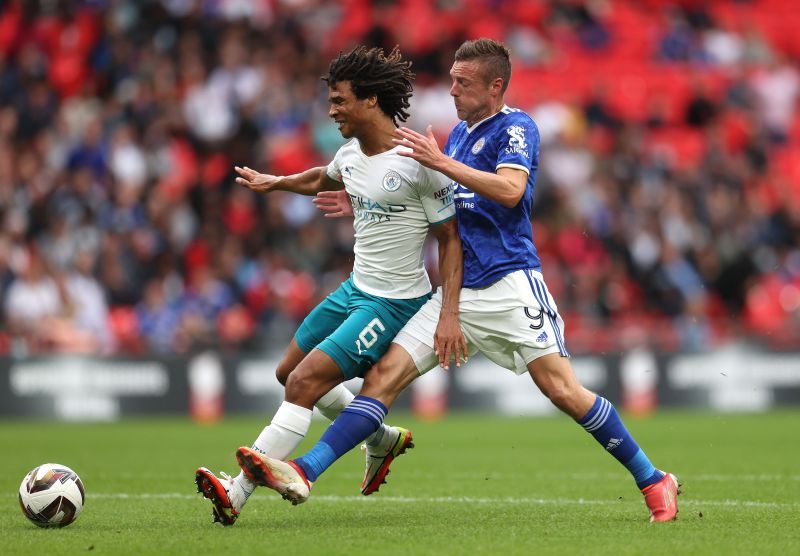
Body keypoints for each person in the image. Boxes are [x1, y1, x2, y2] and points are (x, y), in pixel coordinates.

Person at [237, 38, 681, 523]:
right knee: (381, 379)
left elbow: (510, 191)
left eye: (462, 82)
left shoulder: (516, 129)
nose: (451, 90)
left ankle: (653, 478)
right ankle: (306, 470)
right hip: (456, 288)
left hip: (510, 285)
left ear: (494, 86)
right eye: (451, 80)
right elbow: (442, 215)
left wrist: (442, 162)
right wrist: (367, 202)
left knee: (564, 393)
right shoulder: (458, 137)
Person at [195, 45, 465, 526]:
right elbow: (324, 176)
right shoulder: (351, 153)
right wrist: (274, 183)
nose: (332, 109)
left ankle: (234, 494)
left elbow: (449, 237)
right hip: (354, 290)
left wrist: (447, 311)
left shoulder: (418, 162)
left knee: (303, 384)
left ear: (370, 101)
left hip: (393, 303)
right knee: (288, 372)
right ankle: (379, 438)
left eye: (340, 100)